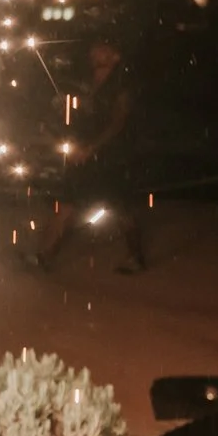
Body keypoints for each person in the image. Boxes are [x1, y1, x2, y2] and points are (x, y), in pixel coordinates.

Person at [29, 37, 145, 274]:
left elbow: (117, 122)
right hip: (86, 153)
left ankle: (136, 257)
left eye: (103, 50)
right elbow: (81, 111)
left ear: (115, 56)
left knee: (120, 206)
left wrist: (94, 147)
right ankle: (44, 255)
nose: (95, 53)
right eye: (95, 49)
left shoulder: (122, 84)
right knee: (69, 201)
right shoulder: (88, 83)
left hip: (111, 155)